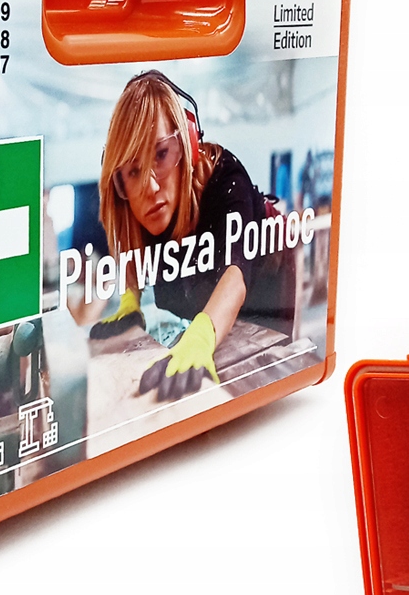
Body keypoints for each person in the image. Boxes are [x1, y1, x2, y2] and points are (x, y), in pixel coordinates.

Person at [80, 71, 296, 400]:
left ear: (188, 144)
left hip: (268, 275)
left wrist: (201, 338)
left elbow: (234, 277)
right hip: (211, 291)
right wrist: (129, 302)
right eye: (134, 170)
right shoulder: (146, 204)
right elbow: (130, 244)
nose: (150, 187)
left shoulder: (226, 179)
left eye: (161, 154)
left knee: (266, 375)